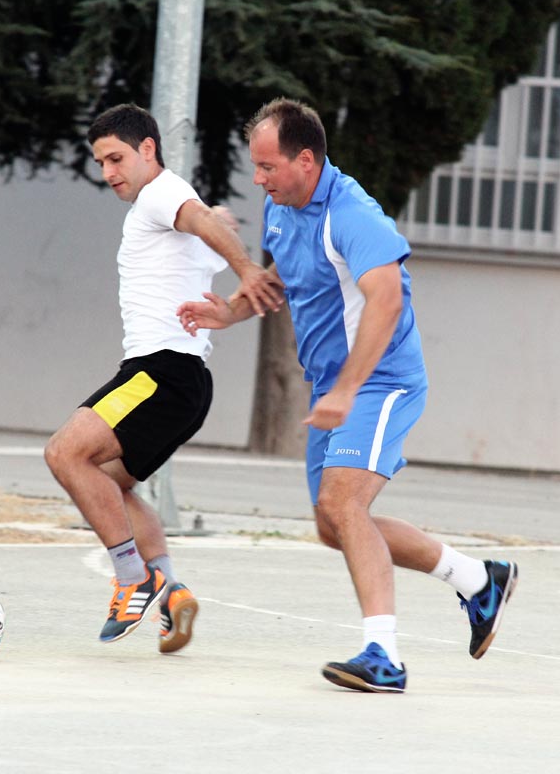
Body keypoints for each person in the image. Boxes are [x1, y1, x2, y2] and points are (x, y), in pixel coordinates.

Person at [177, 97, 518, 693]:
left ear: (305, 161)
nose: (258, 179)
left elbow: (387, 298)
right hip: (335, 387)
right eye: (256, 166)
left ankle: (384, 655)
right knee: (332, 524)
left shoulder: (352, 214)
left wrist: (349, 390)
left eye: (267, 166)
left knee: (344, 504)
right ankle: (476, 580)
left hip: (381, 382)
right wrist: (230, 311)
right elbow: (289, 278)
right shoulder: (283, 208)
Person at [44, 103, 282, 654]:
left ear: (148, 149)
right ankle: (171, 592)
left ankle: (133, 578)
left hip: (159, 372)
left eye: (116, 158)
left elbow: (200, 220)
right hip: (184, 382)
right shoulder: (169, 205)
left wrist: (246, 268)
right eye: (101, 163)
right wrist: (218, 226)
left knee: (64, 454)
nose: (108, 172)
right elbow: (203, 224)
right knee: (110, 484)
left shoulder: (159, 194)